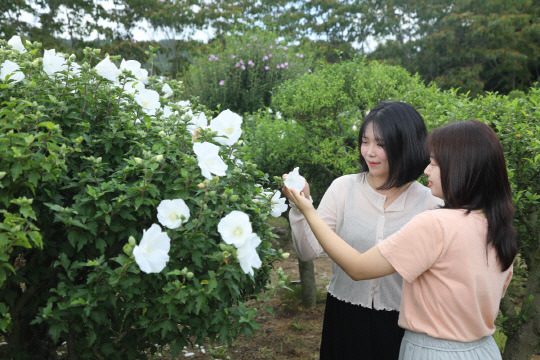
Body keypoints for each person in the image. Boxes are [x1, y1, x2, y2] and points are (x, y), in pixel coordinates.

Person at [284, 119, 517, 359]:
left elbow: (357, 267)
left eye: (434, 164)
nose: (426, 169)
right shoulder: (498, 227)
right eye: (365, 141)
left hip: (431, 349)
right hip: (482, 350)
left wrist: (308, 211)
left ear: (459, 169)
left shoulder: (435, 221)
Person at [284, 101, 443, 359]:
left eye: (381, 144)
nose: (370, 152)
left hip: (403, 323)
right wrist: (300, 207)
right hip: (345, 316)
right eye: (365, 141)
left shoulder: (431, 203)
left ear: (406, 144)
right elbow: (306, 250)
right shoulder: (343, 189)